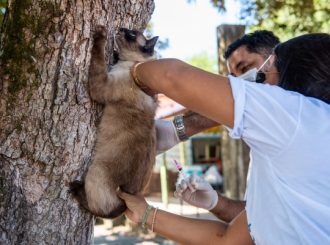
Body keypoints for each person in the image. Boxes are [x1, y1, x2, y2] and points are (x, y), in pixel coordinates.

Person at [118, 33, 330, 244]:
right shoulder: (297, 144)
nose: (255, 84)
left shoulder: (297, 119)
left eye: (262, 74)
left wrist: (128, 71)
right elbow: (227, 239)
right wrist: (145, 214)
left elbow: (171, 76)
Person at [156, 30, 280, 223]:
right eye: (233, 78)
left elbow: (171, 75)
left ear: (275, 60)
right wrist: (215, 202)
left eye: (245, 67)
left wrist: (180, 129)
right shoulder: (265, 143)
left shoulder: (306, 116)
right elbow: (260, 219)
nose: (239, 85)